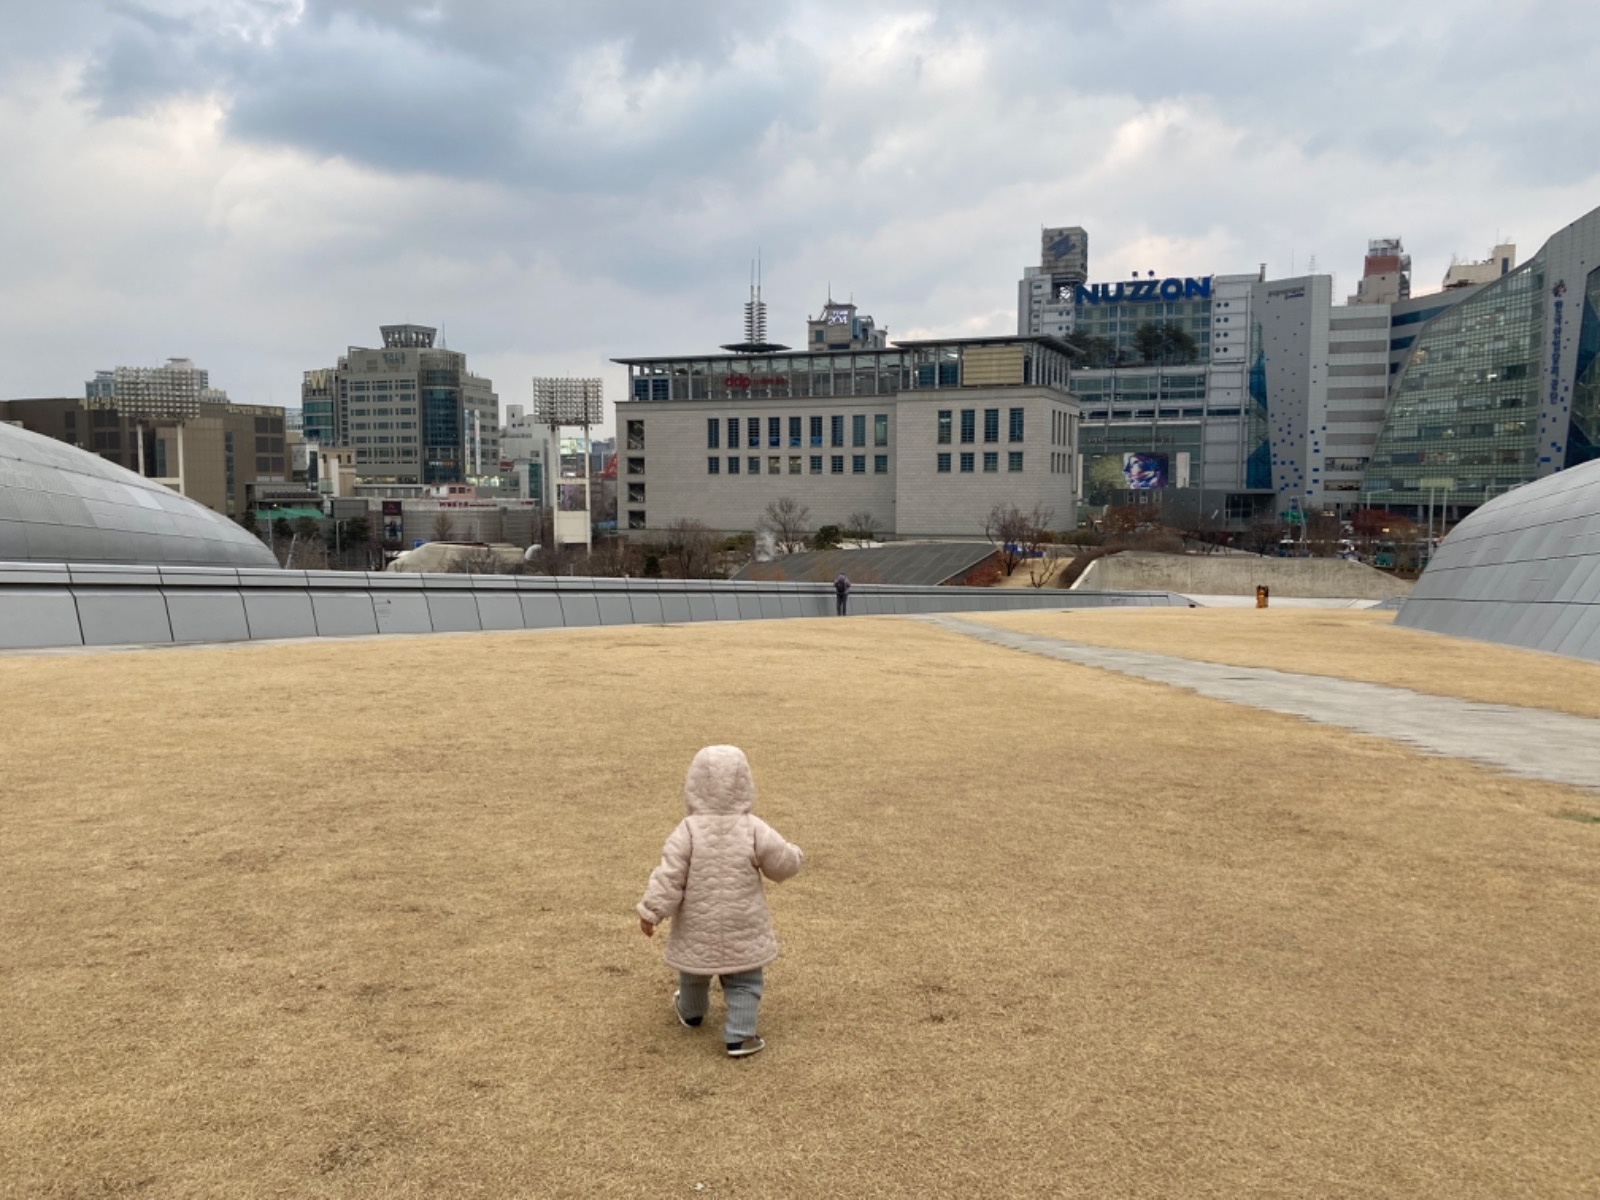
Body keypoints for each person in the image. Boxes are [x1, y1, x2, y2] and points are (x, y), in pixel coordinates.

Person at [637, 745, 804, 1058]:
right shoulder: (753, 827)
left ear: (694, 785)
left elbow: (669, 876)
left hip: (697, 925)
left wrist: (651, 911)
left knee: (694, 973)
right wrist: (795, 855)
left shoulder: (686, 831)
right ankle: (740, 1036)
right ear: (744, 784)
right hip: (743, 923)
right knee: (744, 981)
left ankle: (691, 1012)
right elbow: (781, 862)